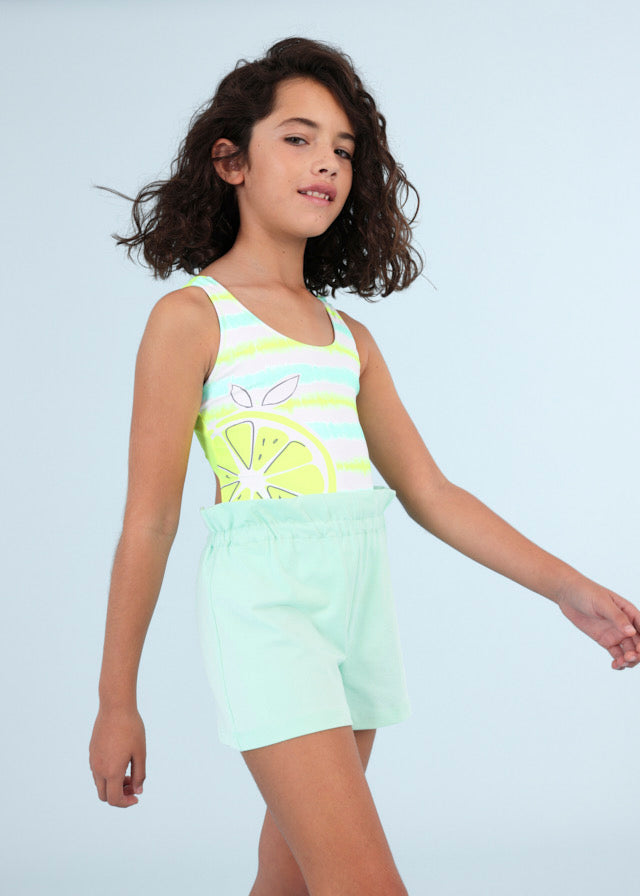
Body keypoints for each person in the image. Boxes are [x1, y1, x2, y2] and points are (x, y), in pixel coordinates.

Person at [89, 36, 640, 896]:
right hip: (269, 621)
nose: (327, 164)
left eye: (344, 150)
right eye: (298, 138)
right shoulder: (193, 319)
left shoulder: (350, 340)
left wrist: (569, 588)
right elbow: (150, 521)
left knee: (289, 884)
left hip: (357, 618)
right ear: (231, 161)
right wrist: (115, 700)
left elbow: (431, 492)